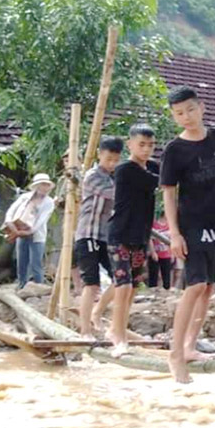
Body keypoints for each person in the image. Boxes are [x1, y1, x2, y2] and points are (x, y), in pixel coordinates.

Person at [160, 86, 215, 383]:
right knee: (195, 285)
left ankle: (191, 345)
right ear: (174, 116)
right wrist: (174, 234)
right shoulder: (174, 150)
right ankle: (175, 353)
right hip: (191, 225)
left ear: (201, 107)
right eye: (179, 113)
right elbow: (168, 194)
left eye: (190, 110)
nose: (186, 117)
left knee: (208, 287)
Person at [106, 124, 159, 356]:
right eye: (141, 145)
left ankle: (117, 328)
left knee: (133, 287)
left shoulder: (152, 167)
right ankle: (117, 335)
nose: (146, 149)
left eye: (150, 145)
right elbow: (160, 180)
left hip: (140, 236)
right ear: (130, 145)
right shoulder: (125, 168)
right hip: (120, 235)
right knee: (123, 285)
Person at [75, 137, 123, 336]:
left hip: (105, 237)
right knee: (92, 283)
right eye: (109, 158)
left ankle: (98, 311)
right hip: (88, 235)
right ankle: (85, 329)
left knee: (121, 278)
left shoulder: (114, 177)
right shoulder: (93, 176)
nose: (112, 163)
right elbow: (115, 194)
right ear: (100, 155)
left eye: (116, 159)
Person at [3, 174, 56, 288]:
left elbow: (42, 220)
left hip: (37, 235)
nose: (45, 188)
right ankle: (21, 285)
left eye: (47, 185)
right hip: (19, 231)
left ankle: (39, 287)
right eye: (43, 185)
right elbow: (12, 210)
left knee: (35, 263)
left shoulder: (49, 202)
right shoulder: (25, 197)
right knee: (21, 261)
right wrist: (9, 223)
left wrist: (29, 231)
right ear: (36, 186)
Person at [148, 213, 173, 290]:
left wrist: (172, 254)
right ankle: (152, 291)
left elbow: (172, 240)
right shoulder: (154, 224)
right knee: (153, 275)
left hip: (167, 254)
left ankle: (167, 291)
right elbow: (150, 239)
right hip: (155, 252)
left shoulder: (171, 226)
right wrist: (153, 252)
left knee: (166, 276)